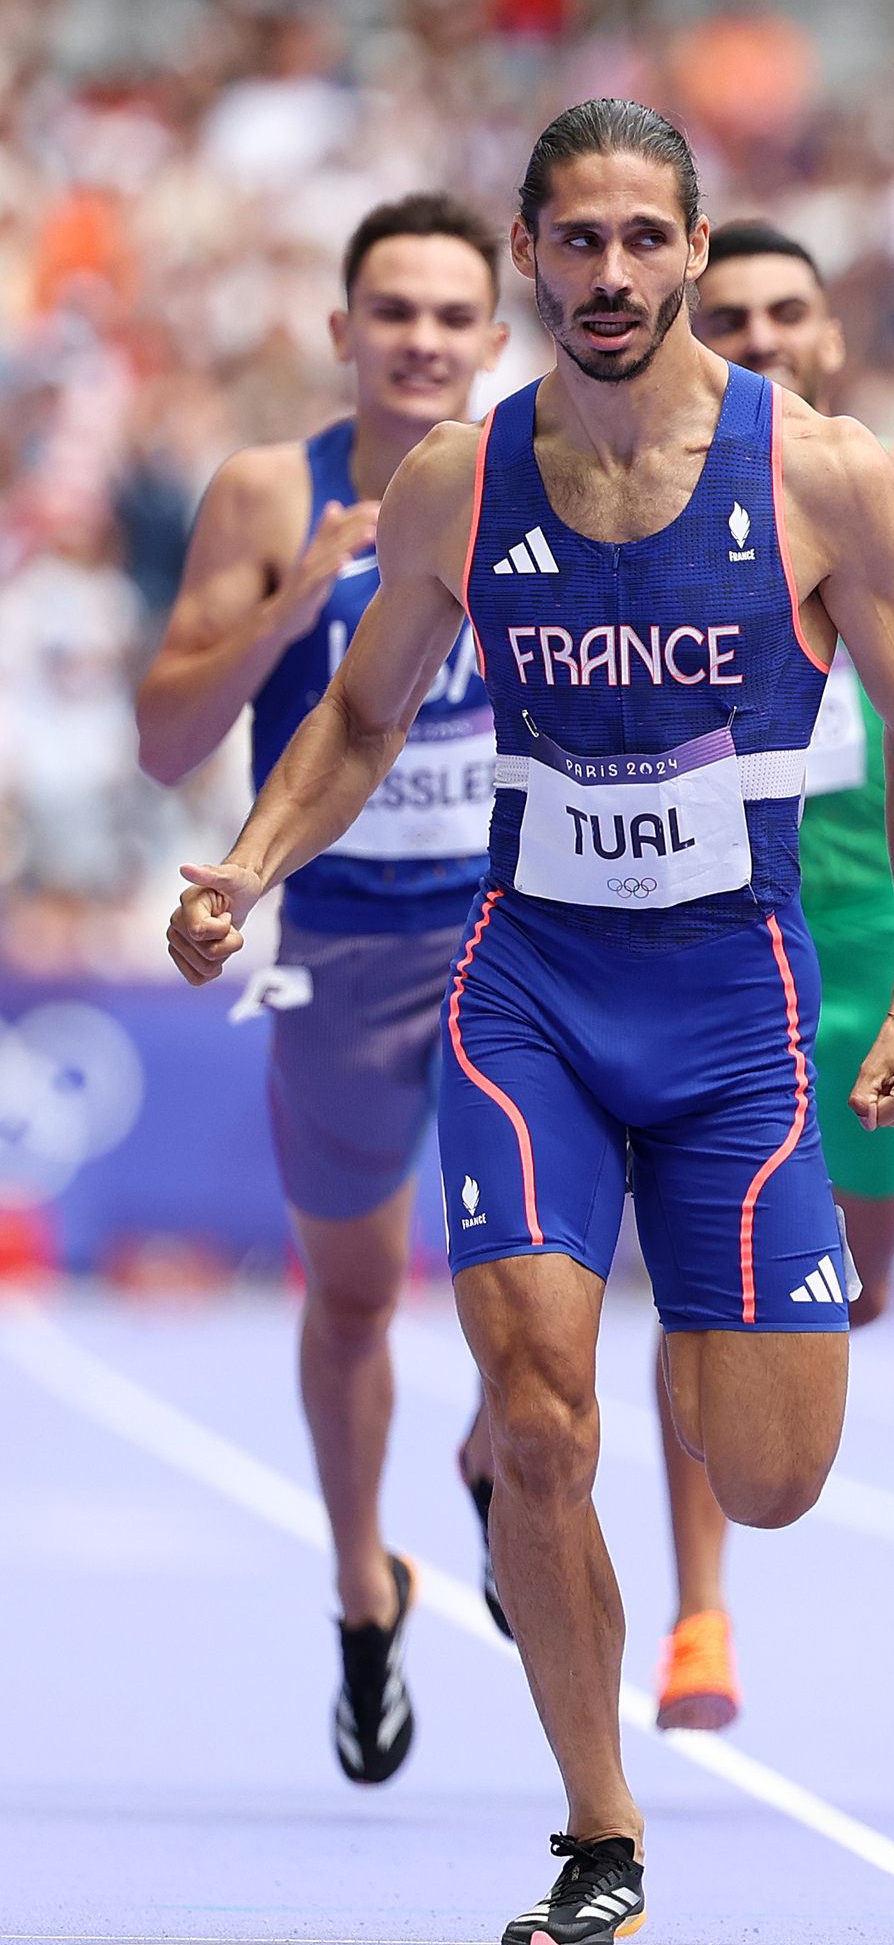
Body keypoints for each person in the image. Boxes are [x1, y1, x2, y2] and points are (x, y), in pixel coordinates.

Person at [166, 99, 894, 1945]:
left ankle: (710, 1337)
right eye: (576, 242)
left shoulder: (825, 472)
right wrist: (247, 862)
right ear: (533, 254)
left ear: (693, 253)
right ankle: (597, 1828)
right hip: (526, 984)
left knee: (768, 1478)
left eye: (642, 241)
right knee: (539, 1425)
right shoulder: (461, 479)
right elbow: (363, 717)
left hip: (738, 1000)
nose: (609, 277)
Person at [642, 218, 894, 1731]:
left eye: (785, 313)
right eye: (729, 313)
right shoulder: (646, 476)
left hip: (872, 918)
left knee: (848, 1292)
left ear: (827, 333)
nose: (757, 337)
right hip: (711, 906)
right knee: (709, 1282)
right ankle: (697, 1616)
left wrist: (869, 609)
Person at [132, 192, 511, 1789]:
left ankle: (512, 1464)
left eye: (450, 315)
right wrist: (292, 606)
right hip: (340, 943)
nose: (422, 339)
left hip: (513, 933)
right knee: (354, 1295)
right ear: (341, 331)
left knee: (533, 1282)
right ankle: (366, 1589)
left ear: (494, 339)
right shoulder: (266, 490)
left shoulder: (553, 475)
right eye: (394, 312)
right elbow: (162, 740)